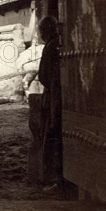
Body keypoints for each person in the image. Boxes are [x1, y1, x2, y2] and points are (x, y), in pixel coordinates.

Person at [37, 15, 63, 191]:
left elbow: (44, 75)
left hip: (53, 97)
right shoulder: (58, 44)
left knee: (52, 135)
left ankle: (55, 179)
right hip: (57, 95)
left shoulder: (50, 47)